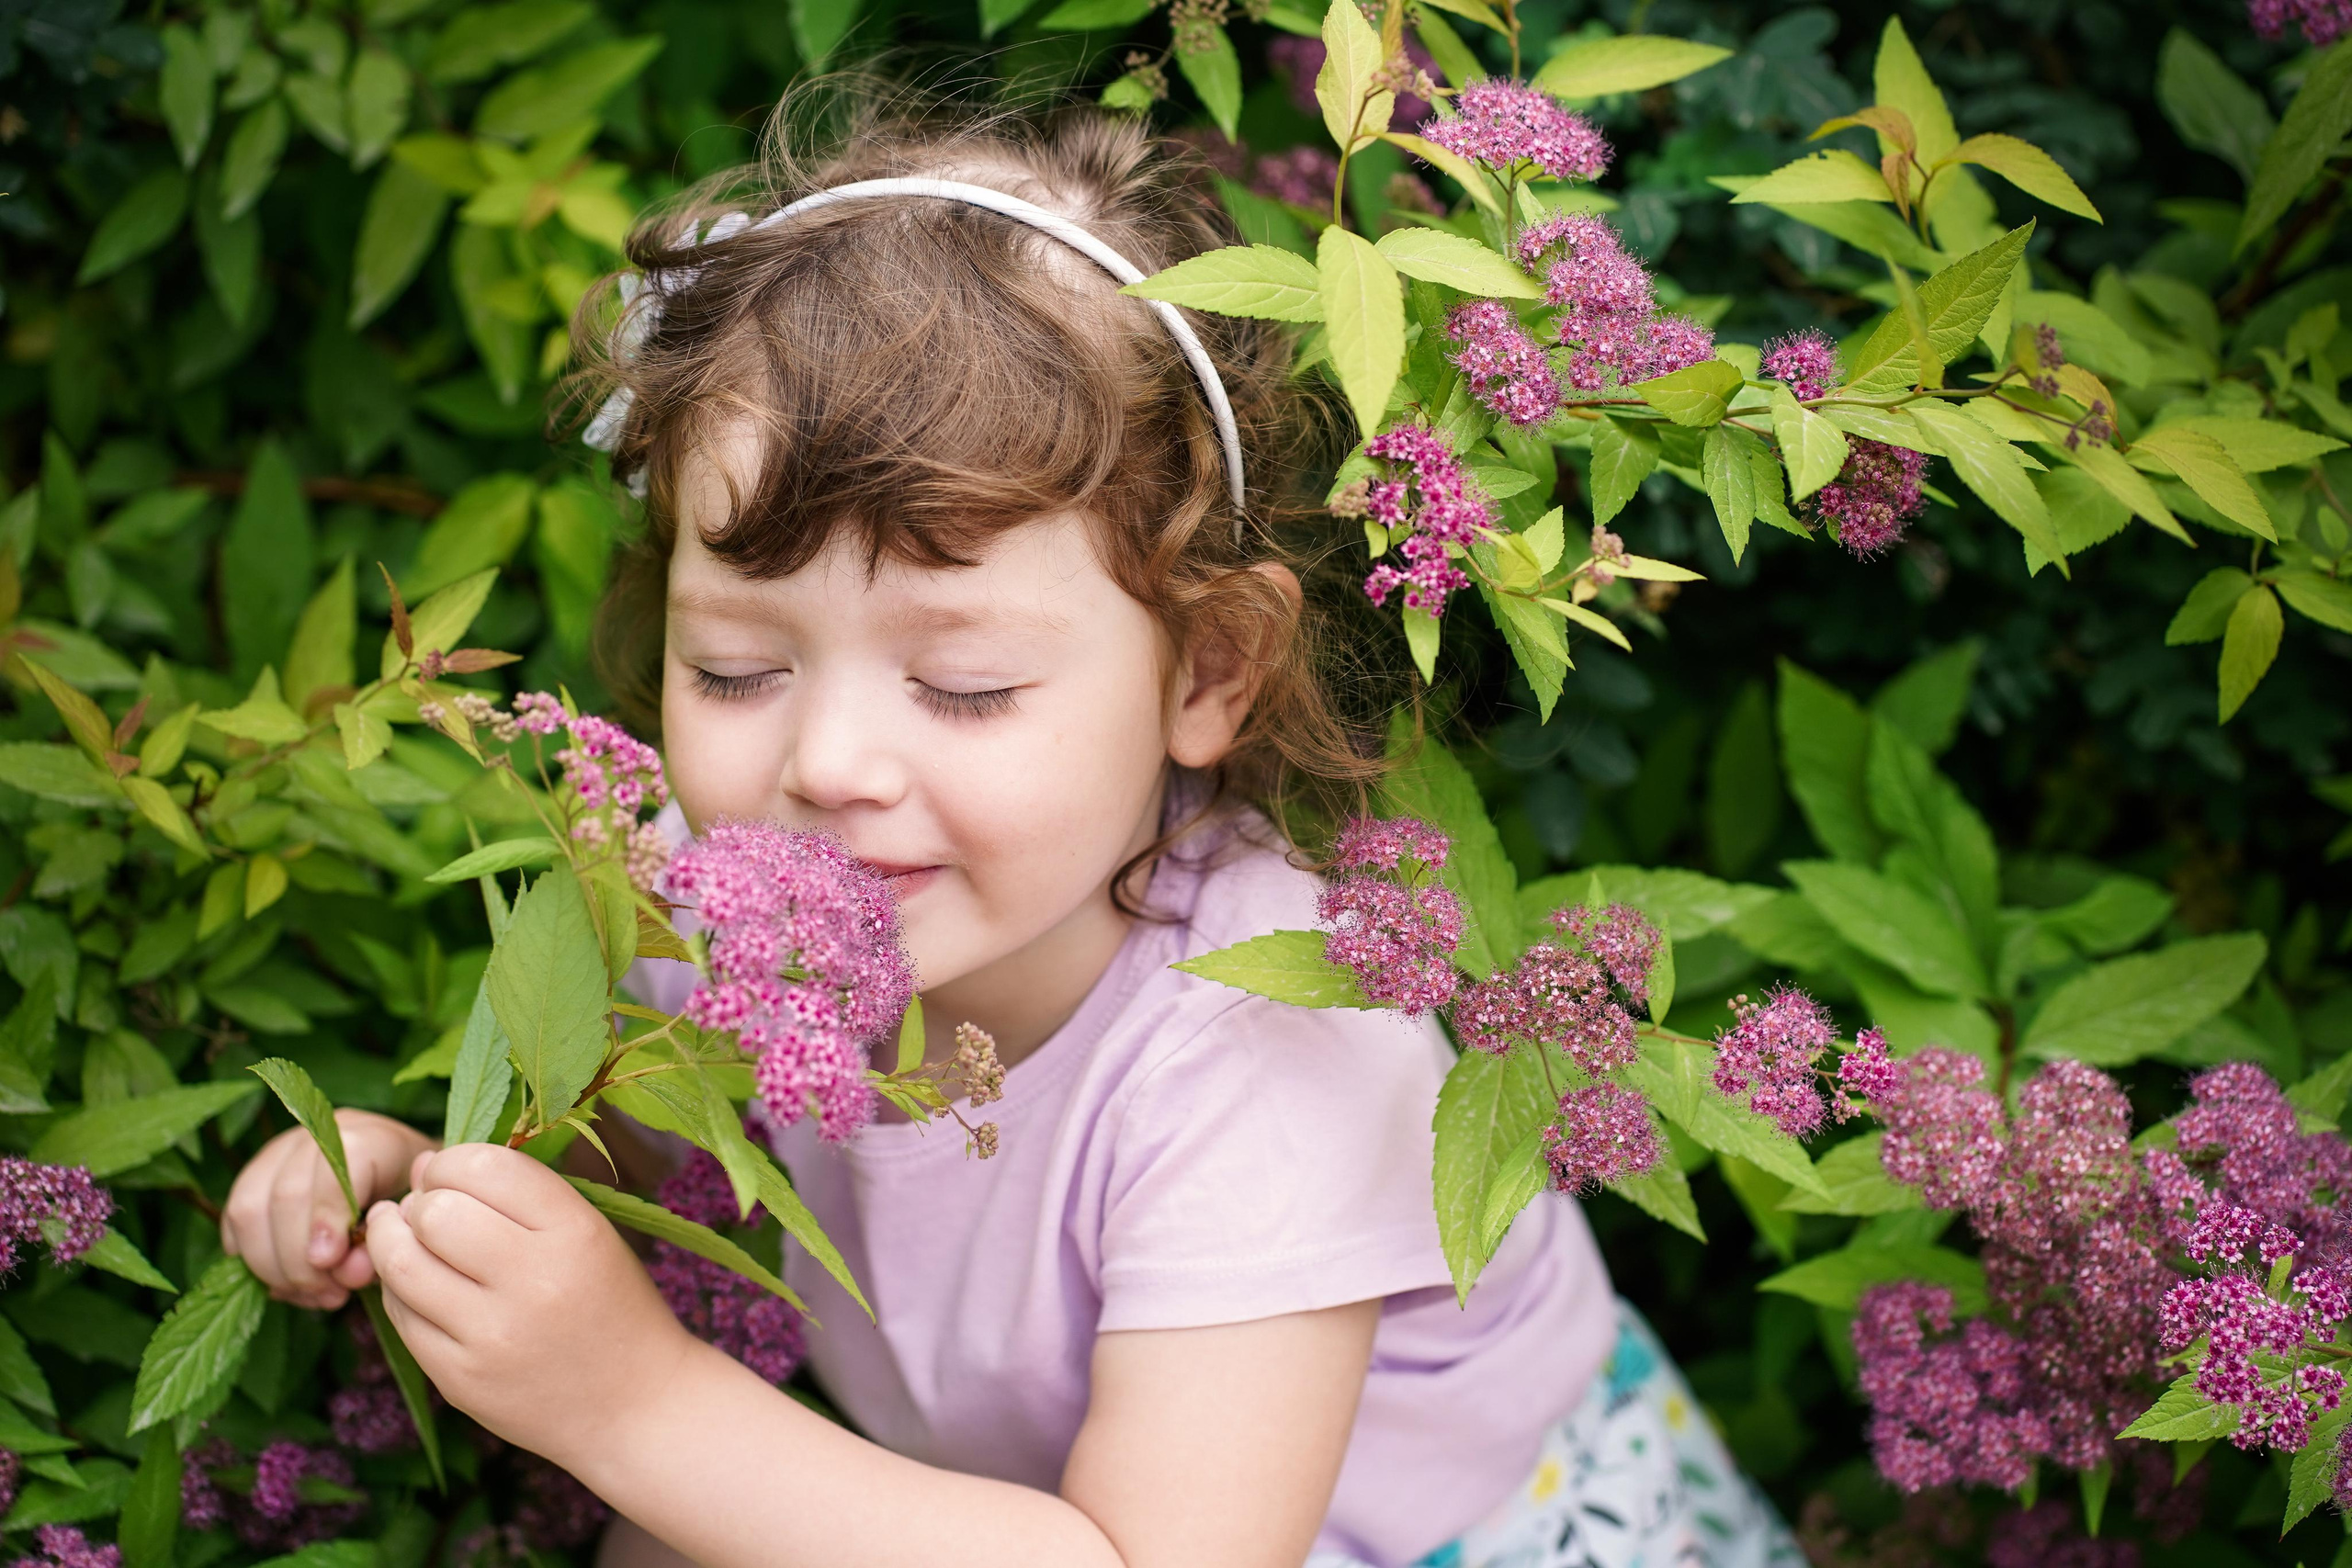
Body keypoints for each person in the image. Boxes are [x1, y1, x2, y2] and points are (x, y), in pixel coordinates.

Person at [219, 89, 1797, 1568]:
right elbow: (658, 1149)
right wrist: (431, 1196)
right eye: (739, 668)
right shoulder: (722, 912)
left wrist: (628, 1402)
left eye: (964, 685)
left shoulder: (1271, 1051)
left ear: (1209, 670)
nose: (828, 764)